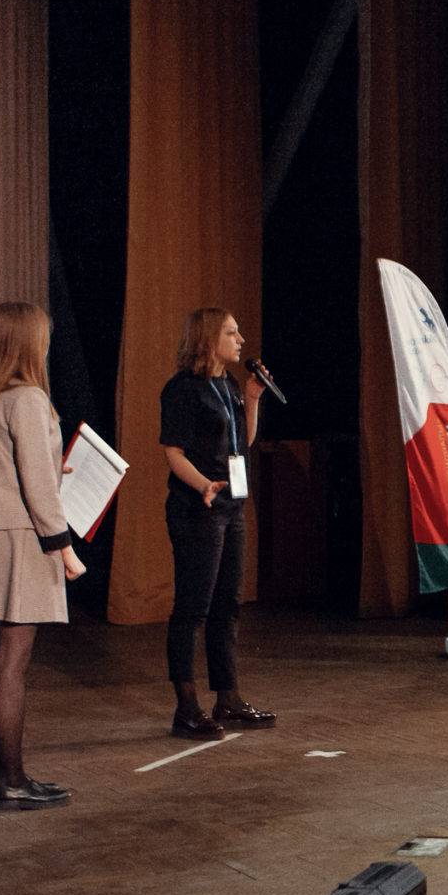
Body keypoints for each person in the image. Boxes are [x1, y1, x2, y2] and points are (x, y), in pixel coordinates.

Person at [0, 301, 84, 812]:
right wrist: (65, 550)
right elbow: (35, 487)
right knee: (12, 663)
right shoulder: (30, 399)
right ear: (31, 343)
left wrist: (51, 472)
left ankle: (3, 777)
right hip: (23, 540)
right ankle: (10, 781)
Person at [162, 307, 273, 737]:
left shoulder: (228, 385)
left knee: (228, 605)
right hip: (197, 509)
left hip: (231, 507)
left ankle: (227, 699)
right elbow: (173, 453)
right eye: (231, 332)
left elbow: (243, 443)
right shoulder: (182, 389)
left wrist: (253, 399)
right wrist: (203, 484)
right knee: (193, 608)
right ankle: (186, 707)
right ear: (209, 339)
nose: (241, 339)